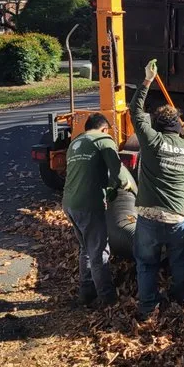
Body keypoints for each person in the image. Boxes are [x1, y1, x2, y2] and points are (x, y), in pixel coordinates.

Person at [130, 60, 184, 318]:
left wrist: (147, 81)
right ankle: (181, 298)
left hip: (149, 217)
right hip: (177, 219)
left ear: (158, 125)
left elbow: (135, 112)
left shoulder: (151, 141)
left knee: (147, 263)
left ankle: (148, 306)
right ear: (177, 126)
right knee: (179, 262)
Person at [62, 112, 136, 307]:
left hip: (69, 203)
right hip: (88, 204)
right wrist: (125, 185)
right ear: (104, 128)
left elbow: (87, 171)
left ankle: (86, 293)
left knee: (86, 248)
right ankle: (106, 298)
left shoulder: (75, 143)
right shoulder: (104, 140)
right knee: (99, 251)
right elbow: (118, 172)